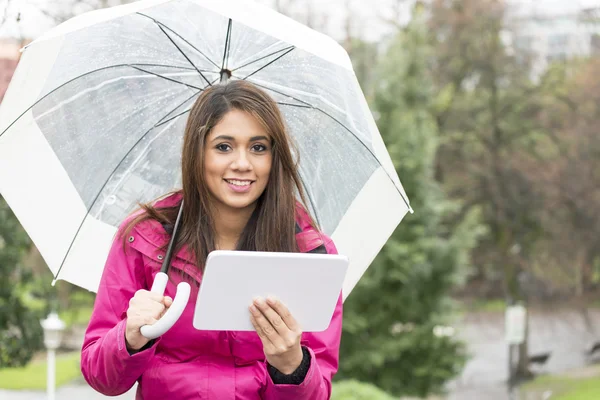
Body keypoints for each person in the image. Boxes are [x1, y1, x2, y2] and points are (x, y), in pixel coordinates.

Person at [80, 79, 343, 399]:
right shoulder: (144, 239)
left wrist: (292, 366)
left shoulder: (312, 255)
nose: (242, 164)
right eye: (224, 146)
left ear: (274, 158)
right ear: (198, 152)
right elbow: (101, 376)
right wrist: (130, 336)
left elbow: (317, 393)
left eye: (258, 147)